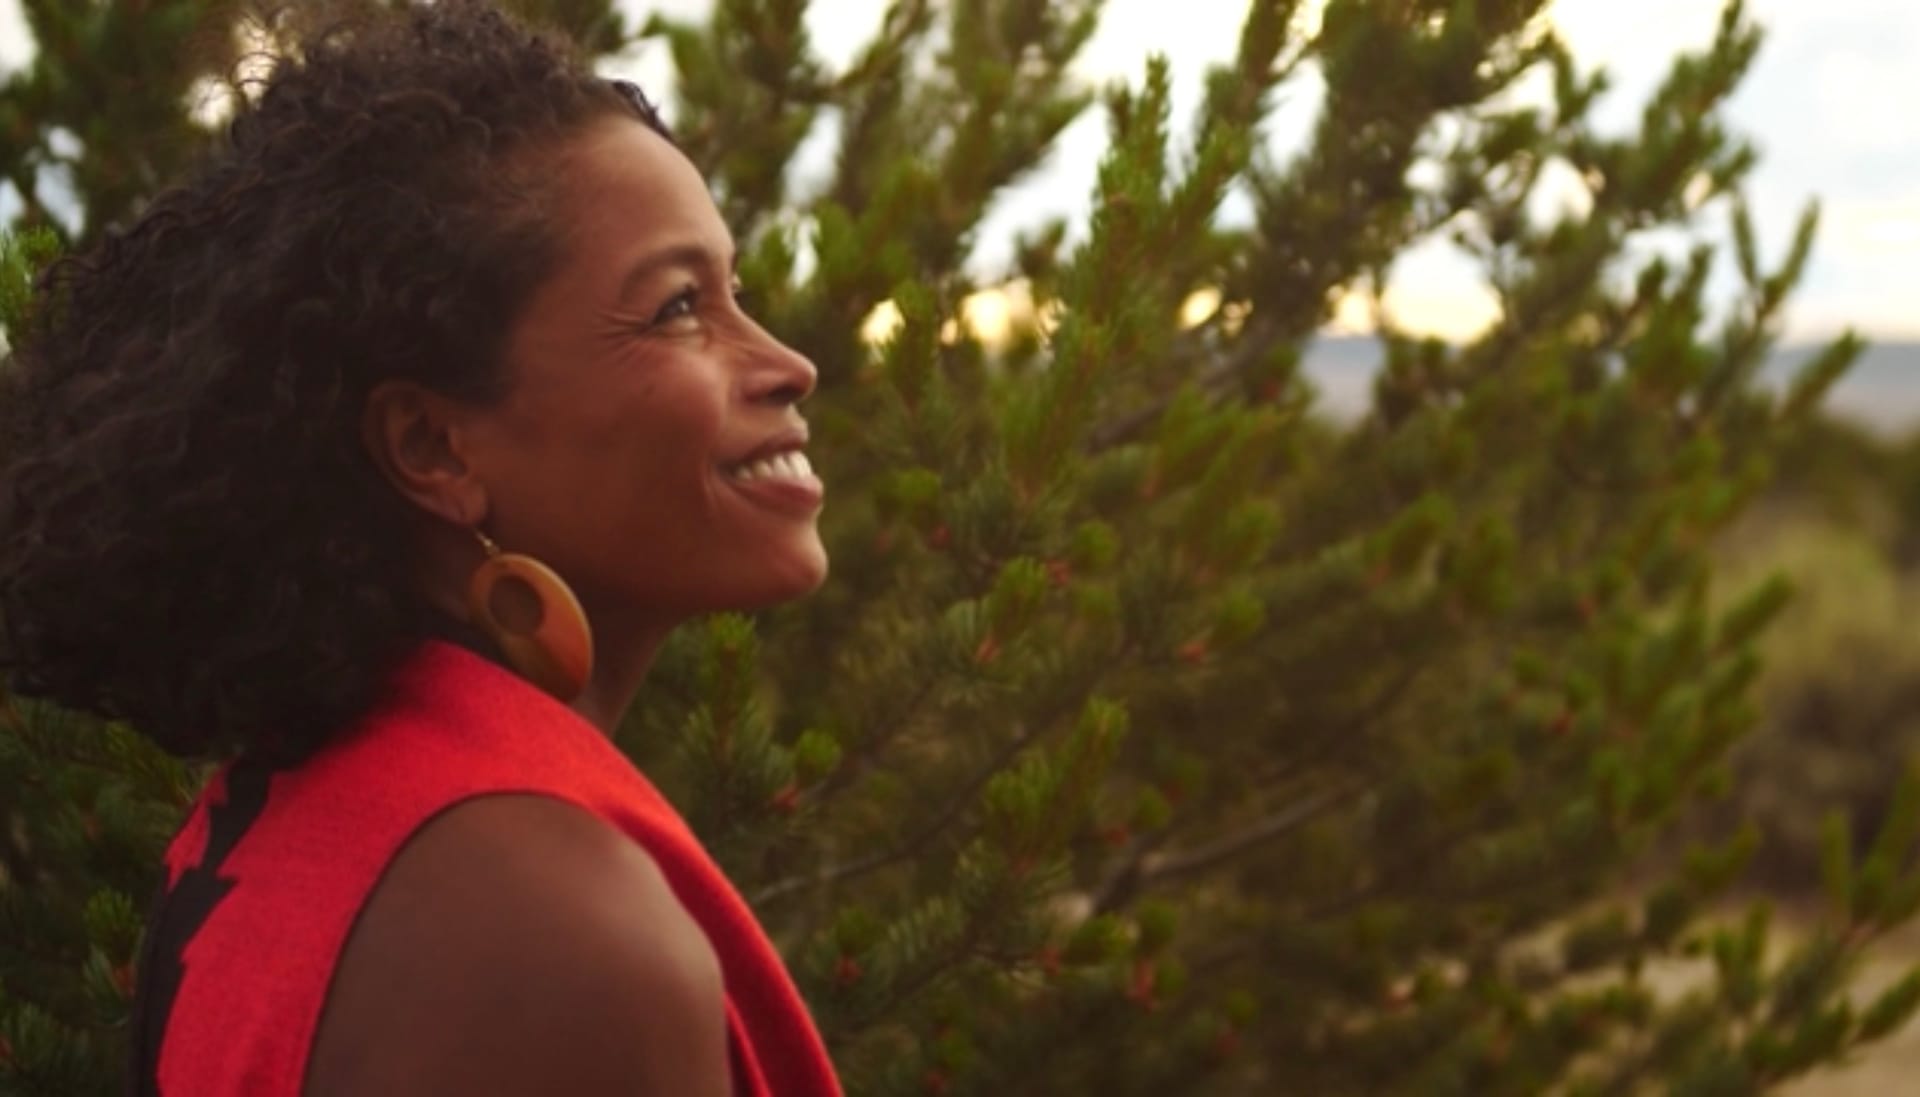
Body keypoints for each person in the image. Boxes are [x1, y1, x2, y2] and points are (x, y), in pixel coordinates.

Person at [0, 2, 840, 1094]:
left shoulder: (310, 812)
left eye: (737, 293)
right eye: (678, 307)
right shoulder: (547, 933)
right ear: (433, 446)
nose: (787, 363)